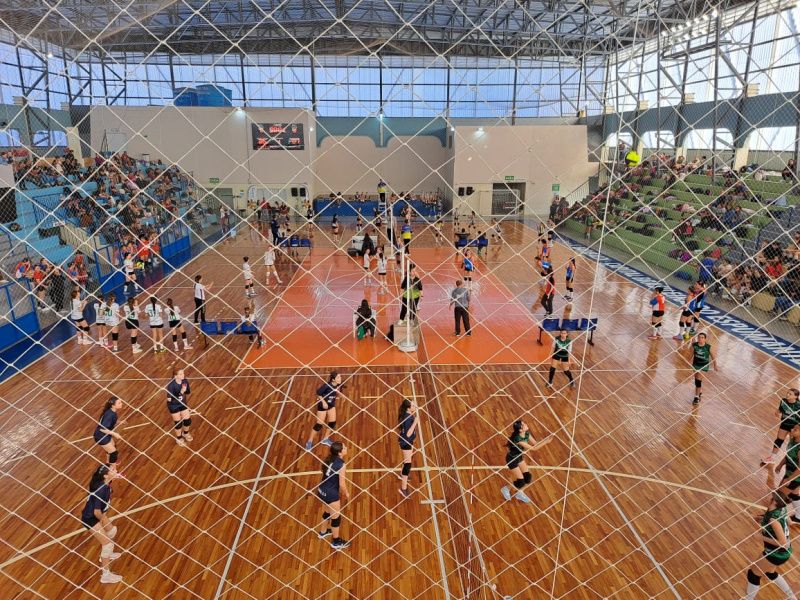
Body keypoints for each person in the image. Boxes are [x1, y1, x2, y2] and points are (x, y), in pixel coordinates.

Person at [742, 491, 795, 599]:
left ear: (774, 501)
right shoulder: (781, 509)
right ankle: (792, 598)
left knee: (753, 574)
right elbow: (788, 522)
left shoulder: (773, 520)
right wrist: (762, 519)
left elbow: (782, 543)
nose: (766, 496)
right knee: (770, 573)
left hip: (777, 552)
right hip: (783, 552)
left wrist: (761, 537)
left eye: (769, 495)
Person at [80, 465, 122, 584]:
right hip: (91, 519)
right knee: (107, 545)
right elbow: (96, 511)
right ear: (105, 476)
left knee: (112, 531)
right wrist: (104, 520)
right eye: (112, 470)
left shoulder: (106, 483)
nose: (115, 470)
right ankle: (105, 576)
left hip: (98, 515)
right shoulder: (101, 489)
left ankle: (107, 555)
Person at [500, 420, 551, 503]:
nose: (526, 424)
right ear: (520, 430)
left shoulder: (527, 433)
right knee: (521, 481)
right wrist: (546, 442)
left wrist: (546, 439)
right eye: (523, 424)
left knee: (528, 478)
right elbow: (534, 448)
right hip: (512, 459)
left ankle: (520, 493)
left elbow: (535, 443)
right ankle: (506, 489)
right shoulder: (518, 439)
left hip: (519, 457)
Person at [317, 441, 351, 550]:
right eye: (344, 448)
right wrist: (346, 493)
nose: (346, 448)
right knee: (336, 518)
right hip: (331, 494)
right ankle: (336, 542)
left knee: (327, 511)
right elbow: (342, 484)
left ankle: (323, 532)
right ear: (340, 453)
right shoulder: (341, 464)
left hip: (321, 490)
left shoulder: (328, 459)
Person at [305, 372, 344, 451]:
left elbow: (338, 395)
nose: (340, 379)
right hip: (323, 406)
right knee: (319, 425)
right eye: (338, 377)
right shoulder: (326, 386)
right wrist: (323, 402)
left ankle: (325, 439)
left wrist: (340, 394)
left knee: (332, 423)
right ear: (333, 379)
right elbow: (318, 393)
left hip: (331, 405)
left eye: (340, 377)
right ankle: (309, 441)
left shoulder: (339, 385)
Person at [763, 389, 800, 466]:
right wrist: (777, 412)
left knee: (793, 444)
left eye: (790, 394)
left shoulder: (798, 405)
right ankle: (772, 458)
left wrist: (797, 428)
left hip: (794, 427)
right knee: (779, 440)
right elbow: (780, 410)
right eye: (787, 393)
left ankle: (794, 463)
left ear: (796, 397)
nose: (787, 395)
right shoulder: (783, 401)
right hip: (784, 424)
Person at [776, 426, 800, 525]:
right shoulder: (792, 440)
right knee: (793, 494)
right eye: (793, 428)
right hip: (790, 472)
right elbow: (788, 455)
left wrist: (789, 479)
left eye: (796, 429)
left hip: (796, 476)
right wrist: (780, 464)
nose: (792, 430)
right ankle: (799, 517)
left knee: (779, 496)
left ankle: (773, 518)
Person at [93, 397, 122, 473]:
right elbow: (102, 429)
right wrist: (114, 434)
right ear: (113, 405)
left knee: (113, 447)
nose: (121, 404)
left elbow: (112, 420)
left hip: (106, 434)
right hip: (101, 436)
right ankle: (113, 471)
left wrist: (119, 422)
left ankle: (109, 462)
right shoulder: (109, 414)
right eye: (119, 403)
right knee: (113, 453)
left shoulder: (112, 411)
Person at [167, 367, 193, 446]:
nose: (183, 375)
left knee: (187, 420)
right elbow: (169, 400)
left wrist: (185, 389)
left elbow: (188, 392)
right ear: (175, 376)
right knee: (178, 423)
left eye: (183, 373)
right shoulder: (171, 385)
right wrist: (181, 392)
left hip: (182, 403)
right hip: (173, 405)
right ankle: (179, 438)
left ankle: (186, 433)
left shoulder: (185, 381)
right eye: (181, 374)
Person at [398, 399, 417, 499]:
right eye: (413, 405)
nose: (415, 406)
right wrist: (415, 422)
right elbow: (409, 434)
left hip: (405, 441)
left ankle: (401, 474)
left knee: (407, 459)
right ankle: (403, 489)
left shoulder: (406, 414)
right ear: (408, 408)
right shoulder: (408, 418)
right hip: (406, 443)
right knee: (408, 464)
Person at [690, 332, 716, 405]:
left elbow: (713, 357)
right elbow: (691, 354)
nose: (700, 339)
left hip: (704, 365)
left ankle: (696, 397)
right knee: (696, 380)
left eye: (702, 338)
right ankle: (700, 391)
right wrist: (687, 361)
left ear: (705, 339)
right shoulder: (694, 345)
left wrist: (715, 365)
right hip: (695, 364)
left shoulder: (708, 347)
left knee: (698, 381)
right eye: (699, 337)